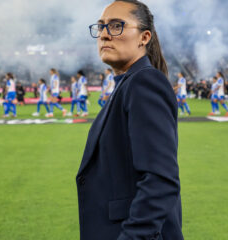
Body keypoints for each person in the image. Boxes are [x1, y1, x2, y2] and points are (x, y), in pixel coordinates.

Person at [77, 1, 183, 239]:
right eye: (101, 26)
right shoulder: (128, 84)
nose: (104, 34)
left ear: (144, 37)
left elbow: (160, 181)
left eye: (116, 26)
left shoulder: (144, 82)